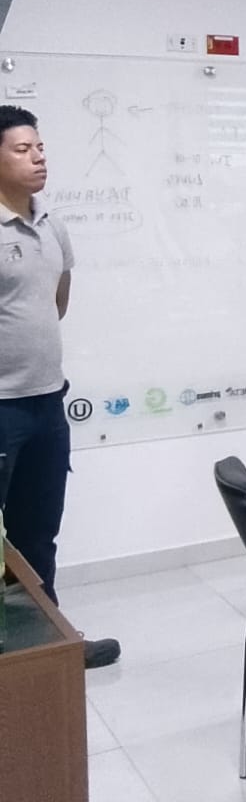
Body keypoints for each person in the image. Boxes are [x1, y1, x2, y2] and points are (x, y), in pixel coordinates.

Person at [0, 106, 119, 668]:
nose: (38, 157)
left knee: (37, 534)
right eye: (23, 149)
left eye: (40, 147)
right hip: (1, 408)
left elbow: (57, 301)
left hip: (47, 403)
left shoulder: (52, 225)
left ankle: (48, 650)